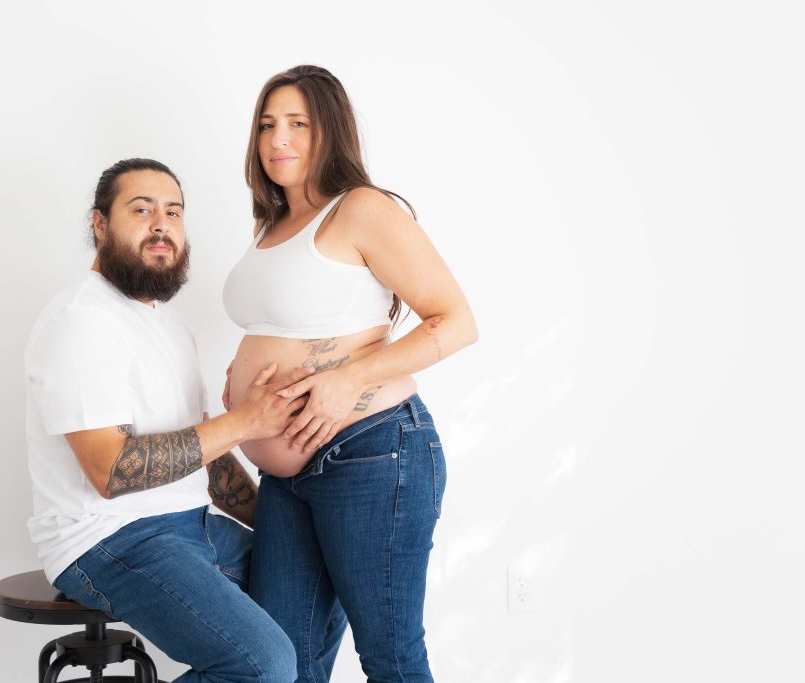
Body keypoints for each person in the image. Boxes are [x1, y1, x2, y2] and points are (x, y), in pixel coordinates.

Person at [221, 66, 478, 683]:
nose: (278, 138)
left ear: (329, 131)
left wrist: (347, 379)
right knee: (284, 666)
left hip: (370, 450)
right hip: (288, 477)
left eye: (298, 124)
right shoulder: (272, 226)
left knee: (389, 658)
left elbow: (457, 321)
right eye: (266, 125)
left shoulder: (361, 209)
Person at [25, 158, 312, 683]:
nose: (161, 224)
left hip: (195, 526)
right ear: (99, 225)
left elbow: (204, 455)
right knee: (263, 665)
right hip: (109, 538)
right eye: (141, 209)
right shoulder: (82, 321)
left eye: (173, 212)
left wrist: (275, 525)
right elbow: (111, 472)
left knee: (313, 585)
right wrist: (247, 421)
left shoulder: (171, 325)